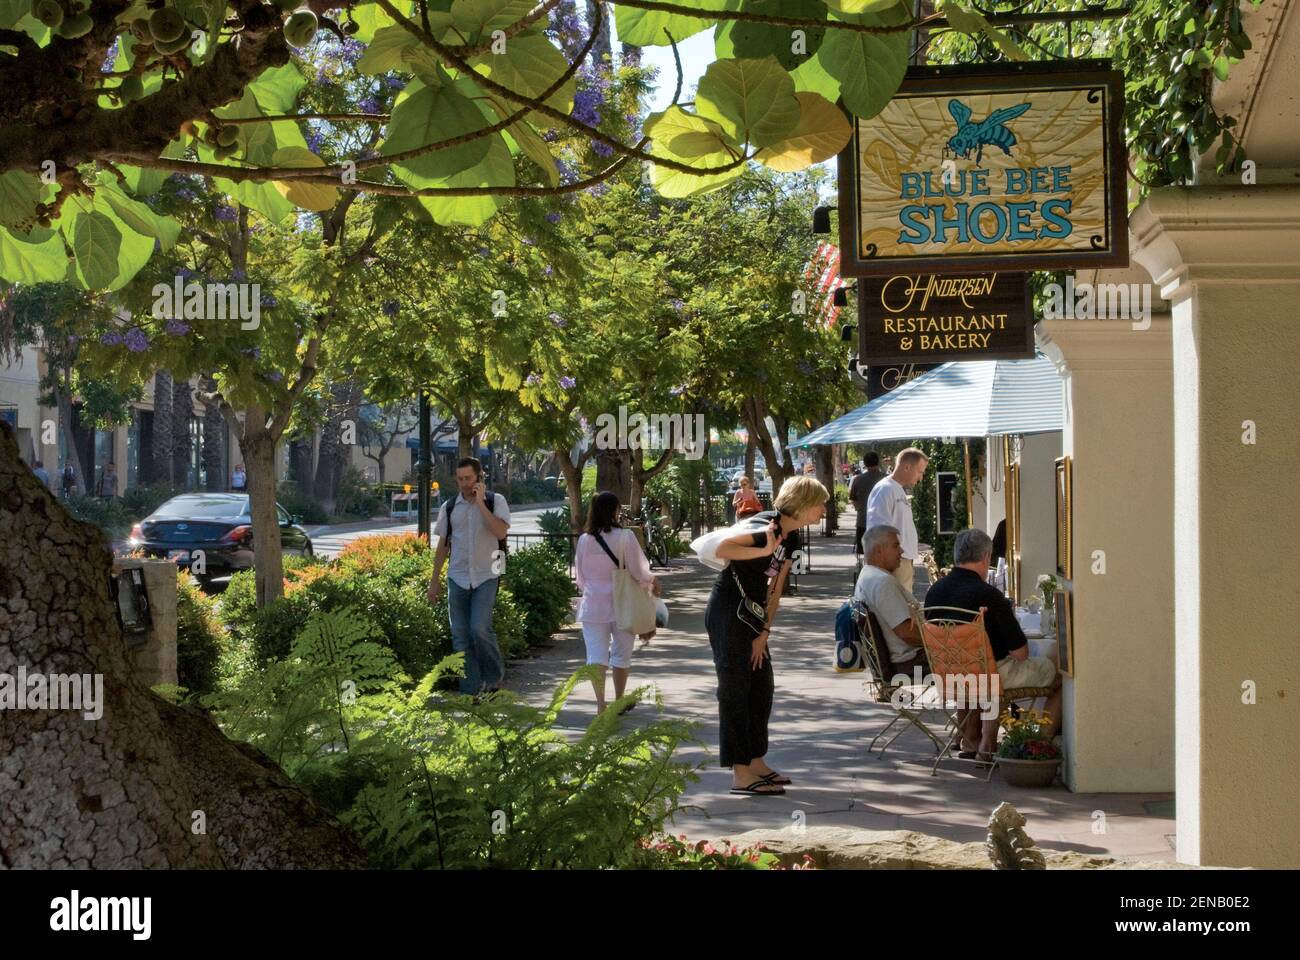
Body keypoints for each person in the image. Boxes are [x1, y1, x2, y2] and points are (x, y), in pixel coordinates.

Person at [706, 475, 829, 796]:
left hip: (753, 615)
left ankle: (756, 761)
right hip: (728, 611)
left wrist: (765, 632)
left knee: (761, 687)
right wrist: (766, 544)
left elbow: (775, 588)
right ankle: (740, 773)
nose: (823, 510)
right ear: (802, 505)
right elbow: (722, 548)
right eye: (820, 503)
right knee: (735, 690)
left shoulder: (792, 538)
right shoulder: (764, 525)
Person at [923, 528, 1061, 761]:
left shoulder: (934, 592)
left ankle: (972, 738)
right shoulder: (989, 596)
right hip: (989, 677)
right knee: (1059, 673)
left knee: (979, 670)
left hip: (949, 675)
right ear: (987, 557)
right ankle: (1036, 744)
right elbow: (1020, 653)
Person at [428, 457, 511, 696]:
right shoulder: (450, 506)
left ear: (479, 477)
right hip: (458, 575)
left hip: (488, 573)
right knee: (460, 635)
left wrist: (481, 504)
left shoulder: (496, 501)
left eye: (469, 478)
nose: (465, 483)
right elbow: (443, 545)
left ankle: (493, 679)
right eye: (461, 479)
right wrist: (434, 581)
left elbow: (500, 531)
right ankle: (470, 689)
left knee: (479, 629)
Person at [575, 491, 660, 714]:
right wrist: (651, 583)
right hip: (623, 603)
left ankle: (600, 703)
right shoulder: (625, 537)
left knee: (595, 656)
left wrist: (594, 588)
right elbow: (638, 571)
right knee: (622, 654)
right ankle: (619, 700)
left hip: (593, 604)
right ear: (615, 511)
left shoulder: (584, 540)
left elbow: (580, 578)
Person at [853, 525, 928, 676]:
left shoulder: (867, 575)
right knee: (976, 654)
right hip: (911, 665)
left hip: (906, 662)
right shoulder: (882, 582)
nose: (901, 551)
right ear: (878, 551)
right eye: (896, 546)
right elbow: (906, 633)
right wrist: (943, 641)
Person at [866, 447, 928, 593]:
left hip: (901, 560)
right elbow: (878, 530)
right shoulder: (885, 489)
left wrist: (913, 544)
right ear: (907, 467)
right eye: (920, 471)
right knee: (898, 609)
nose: (921, 477)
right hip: (895, 562)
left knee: (903, 608)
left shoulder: (896, 488)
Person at [848, 452, 887, 558]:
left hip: (863, 521)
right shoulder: (887, 479)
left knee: (865, 554)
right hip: (884, 524)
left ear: (864, 463)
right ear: (878, 462)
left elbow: (854, 501)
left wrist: (860, 508)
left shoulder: (857, 479)